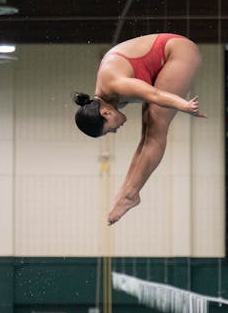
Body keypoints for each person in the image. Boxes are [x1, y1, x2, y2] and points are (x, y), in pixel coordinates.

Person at [73, 33, 206, 225]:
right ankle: (126, 191)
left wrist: (183, 105)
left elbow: (154, 93)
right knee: (147, 134)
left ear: (106, 114)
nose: (116, 130)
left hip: (178, 52)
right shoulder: (107, 98)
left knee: (155, 129)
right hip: (163, 58)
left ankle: (130, 194)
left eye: (109, 130)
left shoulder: (116, 85)